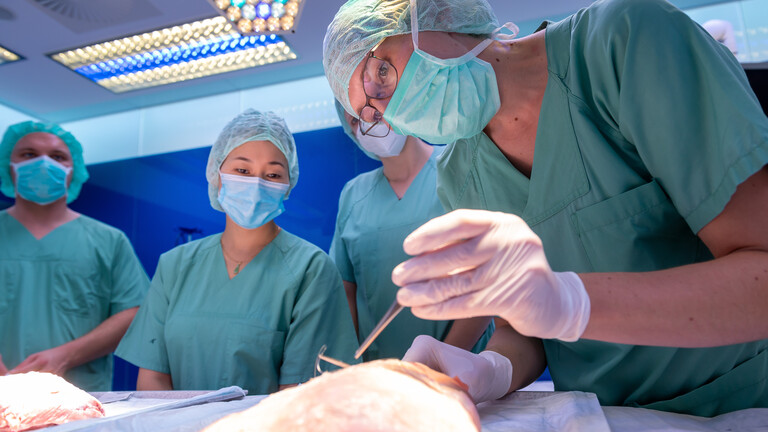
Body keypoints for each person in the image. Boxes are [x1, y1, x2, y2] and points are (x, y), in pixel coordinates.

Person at [322, 0, 768, 416]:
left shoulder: (622, 44)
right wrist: (490, 368)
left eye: (379, 74)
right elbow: (527, 327)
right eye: (373, 114)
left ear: (432, 14)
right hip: (606, 417)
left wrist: (571, 302)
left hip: (743, 402)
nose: (390, 108)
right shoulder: (460, 176)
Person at [115, 109, 358, 394]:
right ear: (217, 174)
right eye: (242, 170)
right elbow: (152, 379)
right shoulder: (175, 266)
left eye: (272, 174)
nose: (256, 183)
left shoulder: (310, 269)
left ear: (288, 184)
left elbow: (298, 395)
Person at [331, 101, 493, 361]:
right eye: (354, 120)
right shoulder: (354, 195)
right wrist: (353, 365)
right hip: (382, 374)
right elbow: (346, 291)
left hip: (461, 365)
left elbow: (489, 276)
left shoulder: (460, 167)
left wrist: (437, 364)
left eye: (372, 109)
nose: (367, 123)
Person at [0, 121, 149, 391]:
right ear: (7, 165)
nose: (44, 164)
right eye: (29, 154)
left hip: (78, 396)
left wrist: (67, 355)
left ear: (72, 170)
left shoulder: (108, 240)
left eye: (57, 157)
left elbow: (134, 312)